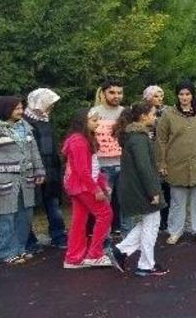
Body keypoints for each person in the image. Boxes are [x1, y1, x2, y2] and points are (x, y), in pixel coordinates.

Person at [107, 103, 168, 276]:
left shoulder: (134, 136)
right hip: (141, 188)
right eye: (153, 114)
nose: (155, 117)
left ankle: (121, 250)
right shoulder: (138, 139)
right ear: (143, 116)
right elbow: (144, 168)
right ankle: (145, 264)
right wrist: (153, 191)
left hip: (136, 187)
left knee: (149, 222)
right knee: (152, 224)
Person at [156, 81, 196, 245]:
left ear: (192, 95)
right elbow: (160, 140)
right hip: (176, 164)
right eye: (181, 94)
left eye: (187, 94)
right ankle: (175, 231)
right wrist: (161, 162)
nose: (184, 97)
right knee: (177, 201)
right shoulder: (169, 114)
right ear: (177, 95)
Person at [61, 107, 113, 269]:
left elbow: (93, 168)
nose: (98, 123)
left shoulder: (83, 139)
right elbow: (82, 171)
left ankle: (73, 258)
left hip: (80, 186)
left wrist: (102, 183)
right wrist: (96, 190)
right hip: (83, 187)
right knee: (105, 214)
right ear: (83, 122)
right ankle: (94, 254)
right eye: (94, 120)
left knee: (79, 220)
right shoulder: (78, 141)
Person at [0, 96, 45, 265]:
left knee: (25, 215)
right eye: (16, 108)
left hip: (26, 179)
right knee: (5, 217)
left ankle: (19, 249)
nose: (21, 111)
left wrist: (39, 170)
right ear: (5, 109)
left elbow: (34, 151)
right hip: (3, 180)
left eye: (21, 108)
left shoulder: (26, 127)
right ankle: (5, 253)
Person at [24, 88, 68, 250]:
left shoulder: (46, 119)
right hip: (33, 168)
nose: (51, 107)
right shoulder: (24, 122)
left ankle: (58, 235)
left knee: (53, 203)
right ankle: (29, 240)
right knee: (30, 206)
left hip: (50, 168)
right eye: (49, 103)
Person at [91, 78, 127, 235]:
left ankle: (122, 231)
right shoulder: (94, 112)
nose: (116, 96)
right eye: (112, 92)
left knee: (122, 200)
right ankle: (102, 235)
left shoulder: (125, 112)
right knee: (103, 201)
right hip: (102, 165)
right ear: (103, 93)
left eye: (119, 92)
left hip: (123, 163)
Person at [143, 85, 171, 231]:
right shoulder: (142, 111)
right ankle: (151, 218)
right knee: (151, 188)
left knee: (166, 188)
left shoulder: (168, 111)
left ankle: (164, 220)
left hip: (165, 153)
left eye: (161, 95)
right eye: (156, 96)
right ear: (148, 97)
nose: (159, 98)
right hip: (148, 152)